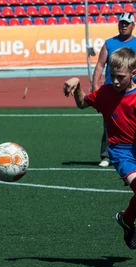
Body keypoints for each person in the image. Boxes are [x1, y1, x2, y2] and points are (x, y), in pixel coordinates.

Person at [64, 47, 136, 250]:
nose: (115, 81)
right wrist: (77, 85)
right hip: (122, 152)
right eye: (112, 76)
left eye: (120, 77)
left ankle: (126, 219)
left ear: (133, 73)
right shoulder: (105, 92)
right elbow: (81, 103)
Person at [91, 12, 136, 168]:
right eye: (121, 23)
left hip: (132, 92)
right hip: (112, 91)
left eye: (127, 23)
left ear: (133, 25)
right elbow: (100, 65)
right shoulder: (109, 43)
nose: (124, 25)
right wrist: (95, 87)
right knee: (109, 124)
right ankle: (107, 155)